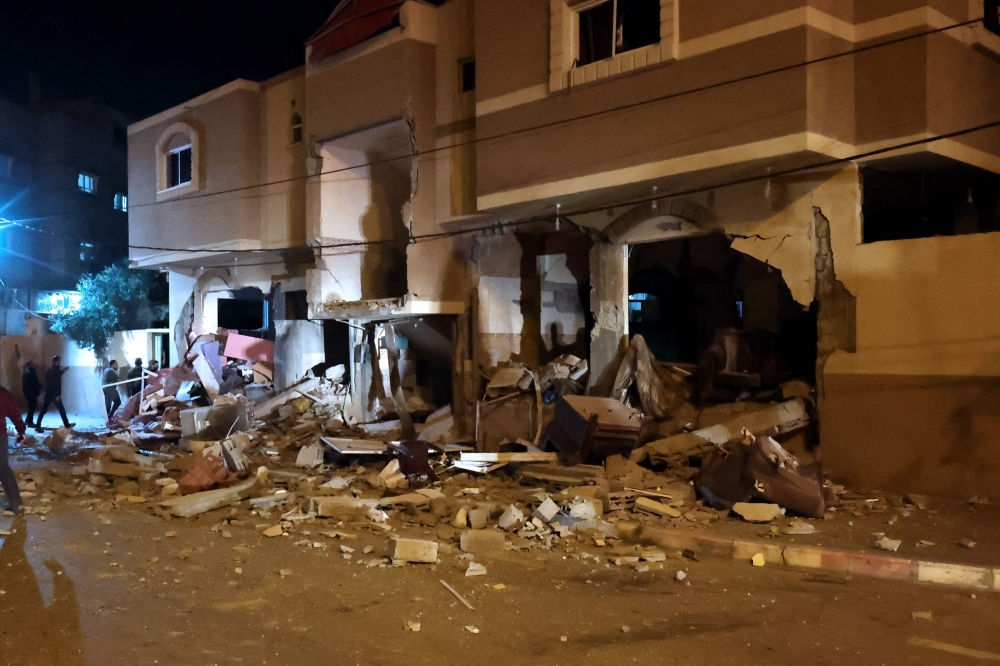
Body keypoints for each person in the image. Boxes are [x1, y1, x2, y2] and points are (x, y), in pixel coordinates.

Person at [0, 383, 27, 513]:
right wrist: (21, 430)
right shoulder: (3, 394)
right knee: (3, 469)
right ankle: (17, 505)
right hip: (0, 436)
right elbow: (15, 414)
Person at [36, 356, 73, 433]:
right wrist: (57, 394)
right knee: (61, 409)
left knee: (44, 409)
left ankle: (38, 425)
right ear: (57, 361)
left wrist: (63, 371)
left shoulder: (49, 369)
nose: (59, 362)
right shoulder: (55, 370)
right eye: (59, 361)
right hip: (54, 394)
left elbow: (55, 376)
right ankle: (66, 424)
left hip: (48, 393)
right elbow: (55, 382)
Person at [21, 360, 42, 428]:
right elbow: (32, 383)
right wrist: (39, 387)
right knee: (32, 407)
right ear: (29, 365)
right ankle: (29, 422)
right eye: (32, 364)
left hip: (31, 393)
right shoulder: (29, 373)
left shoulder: (29, 372)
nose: (34, 365)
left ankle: (28, 420)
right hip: (31, 393)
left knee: (32, 407)